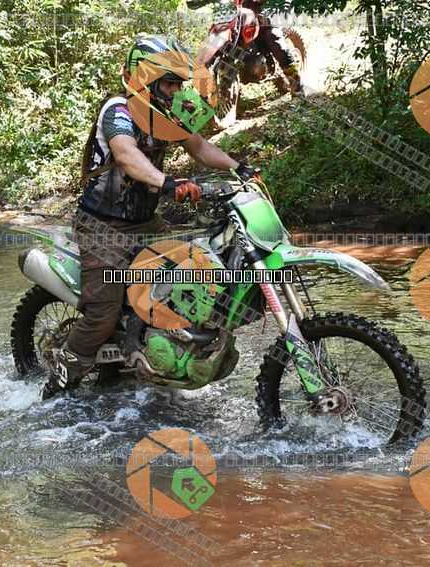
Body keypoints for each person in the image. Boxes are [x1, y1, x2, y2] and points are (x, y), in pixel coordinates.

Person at [42, 35, 256, 400]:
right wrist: (168, 182)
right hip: (102, 227)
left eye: (177, 84)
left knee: (188, 275)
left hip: (146, 223)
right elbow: (127, 155)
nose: (175, 91)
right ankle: (60, 380)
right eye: (169, 83)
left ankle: (155, 349)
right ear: (146, 80)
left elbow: (200, 147)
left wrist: (240, 167)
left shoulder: (167, 113)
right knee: (102, 314)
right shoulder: (118, 110)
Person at [239, 0, 303, 94]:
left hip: (271, 16)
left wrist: (265, 15)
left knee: (272, 37)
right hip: (246, 24)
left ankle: (295, 81)